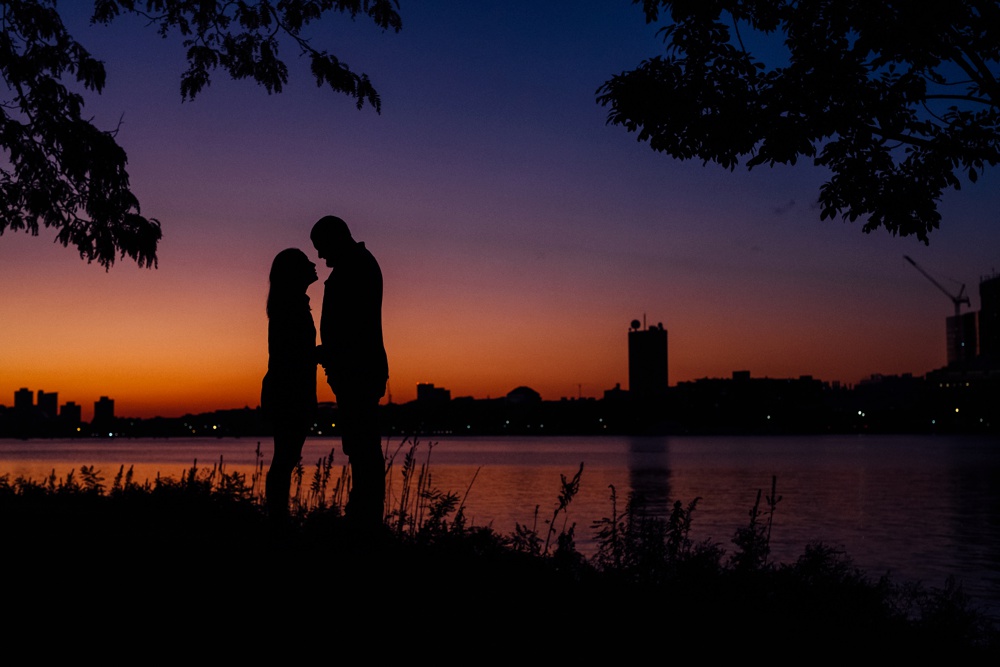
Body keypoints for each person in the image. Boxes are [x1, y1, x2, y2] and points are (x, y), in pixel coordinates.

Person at [311, 215, 388, 530]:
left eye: (321, 247)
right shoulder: (356, 264)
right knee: (360, 446)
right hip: (357, 369)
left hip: (358, 371)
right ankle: (363, 517)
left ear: (335, 239)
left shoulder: (356, 266)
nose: (319, 255)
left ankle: (364, 521)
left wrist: (327, 353)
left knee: (362, 447)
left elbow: (353, 325)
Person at [261, 248, 319, 521]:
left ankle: (278, 518)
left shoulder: (290, 305)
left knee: (284, 459)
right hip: (289, 393)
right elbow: (294, 355)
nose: (313, 263)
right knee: (284, 460)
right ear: (295, 273)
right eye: (306, 262)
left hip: (287, 391)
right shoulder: (291, 308)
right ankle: (278, 520)